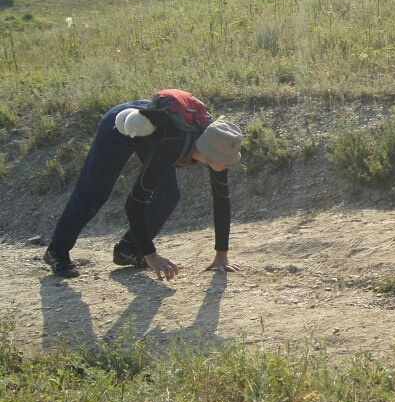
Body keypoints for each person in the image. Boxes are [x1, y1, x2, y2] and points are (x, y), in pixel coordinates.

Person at [42, 90, 244, 280]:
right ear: (210, 153)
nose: (229, 164)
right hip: (119, 125)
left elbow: (222, 199)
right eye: (227, 161)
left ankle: (128, 249)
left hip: (154, 132)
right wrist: (151, 255)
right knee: (95, 193)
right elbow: (133, 204)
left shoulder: (217, 142)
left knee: (168, 195)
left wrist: (221, 255)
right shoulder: (172, 148)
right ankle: (57, 251)